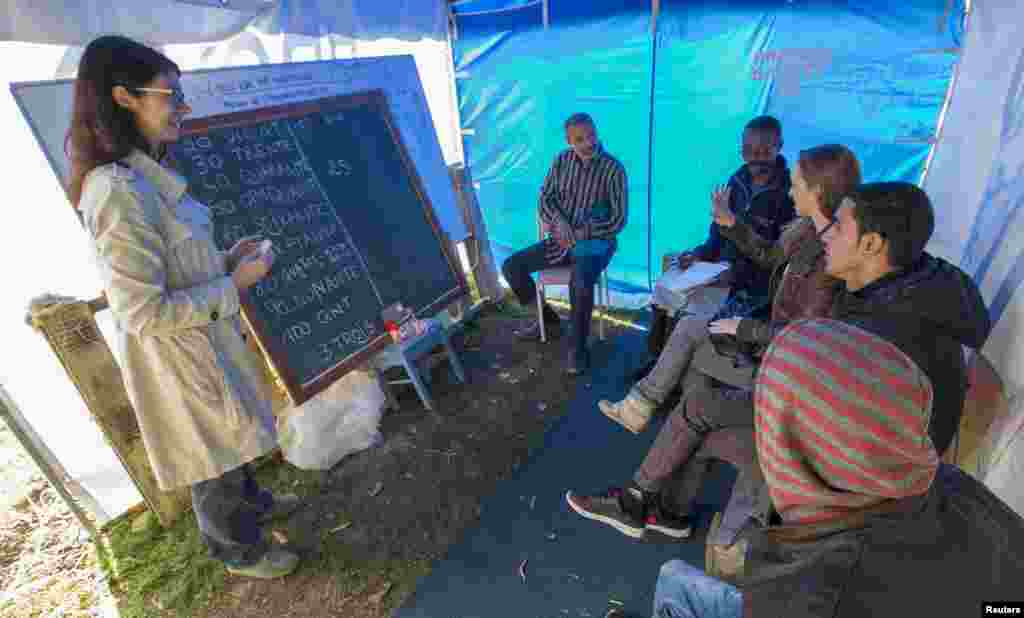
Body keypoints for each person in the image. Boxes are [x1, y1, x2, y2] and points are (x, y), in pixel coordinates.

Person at [70, 36, 300, 579]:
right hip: (178, 357)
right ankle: (238, 551)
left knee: (231, 436)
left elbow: (177, 264)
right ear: (124, 97)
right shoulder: (116, 192)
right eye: (170, 94)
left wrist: (225, 261)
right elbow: (140, 311)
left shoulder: (146, 176)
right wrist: (233, 286)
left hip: (205, 339)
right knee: (211, 454)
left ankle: (255, 507)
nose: (183, 106)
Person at [566, 145, 860, 539]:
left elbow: (807, 338)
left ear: (818, 191)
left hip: (781, 371)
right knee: (694, 354)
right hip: (774, 353)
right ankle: (671, 507)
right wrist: (730, 223)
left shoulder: (831, 259)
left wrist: (746, 329)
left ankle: (642, 490)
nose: (791, 191)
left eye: (796, 185)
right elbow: (770, 257)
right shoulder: (808, 231)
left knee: (694, 371)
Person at [652, 319, 1024, 618]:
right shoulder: (950, 484)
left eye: (766, 418)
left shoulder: (809, 587)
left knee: (674, 579)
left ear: (789, 450)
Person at [820, 181, 991, 455]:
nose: (825, 235)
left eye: (838, 226)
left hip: (881, 468)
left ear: (871, 244)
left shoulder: (889, 333)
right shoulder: (915, 286)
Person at [639, 116, 795, 379]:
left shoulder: (789, 195)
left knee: (690, 314)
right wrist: (700, 254)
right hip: (719, 269)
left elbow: (776, 261)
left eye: (763, 151)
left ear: (779, 146)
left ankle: (671, 375)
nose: (755, 158)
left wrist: (734, 275)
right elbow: (718, 231)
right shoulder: (737, 181)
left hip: (750, 285)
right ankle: (656, 361)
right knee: (667, 283)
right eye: (748, 150)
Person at [501, 113, 627, 375]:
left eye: (591, 135)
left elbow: (618, 220)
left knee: (580, 281)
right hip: (560, 241)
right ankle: (548, 321)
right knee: (511, 267)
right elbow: (545, 198)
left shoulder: (613, 168)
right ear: (569, 141)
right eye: (580, 139)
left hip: (596, 244)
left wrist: (581, 233)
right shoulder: (561, 160)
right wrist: (558, 221)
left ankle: (578, 350)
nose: (588, 143)